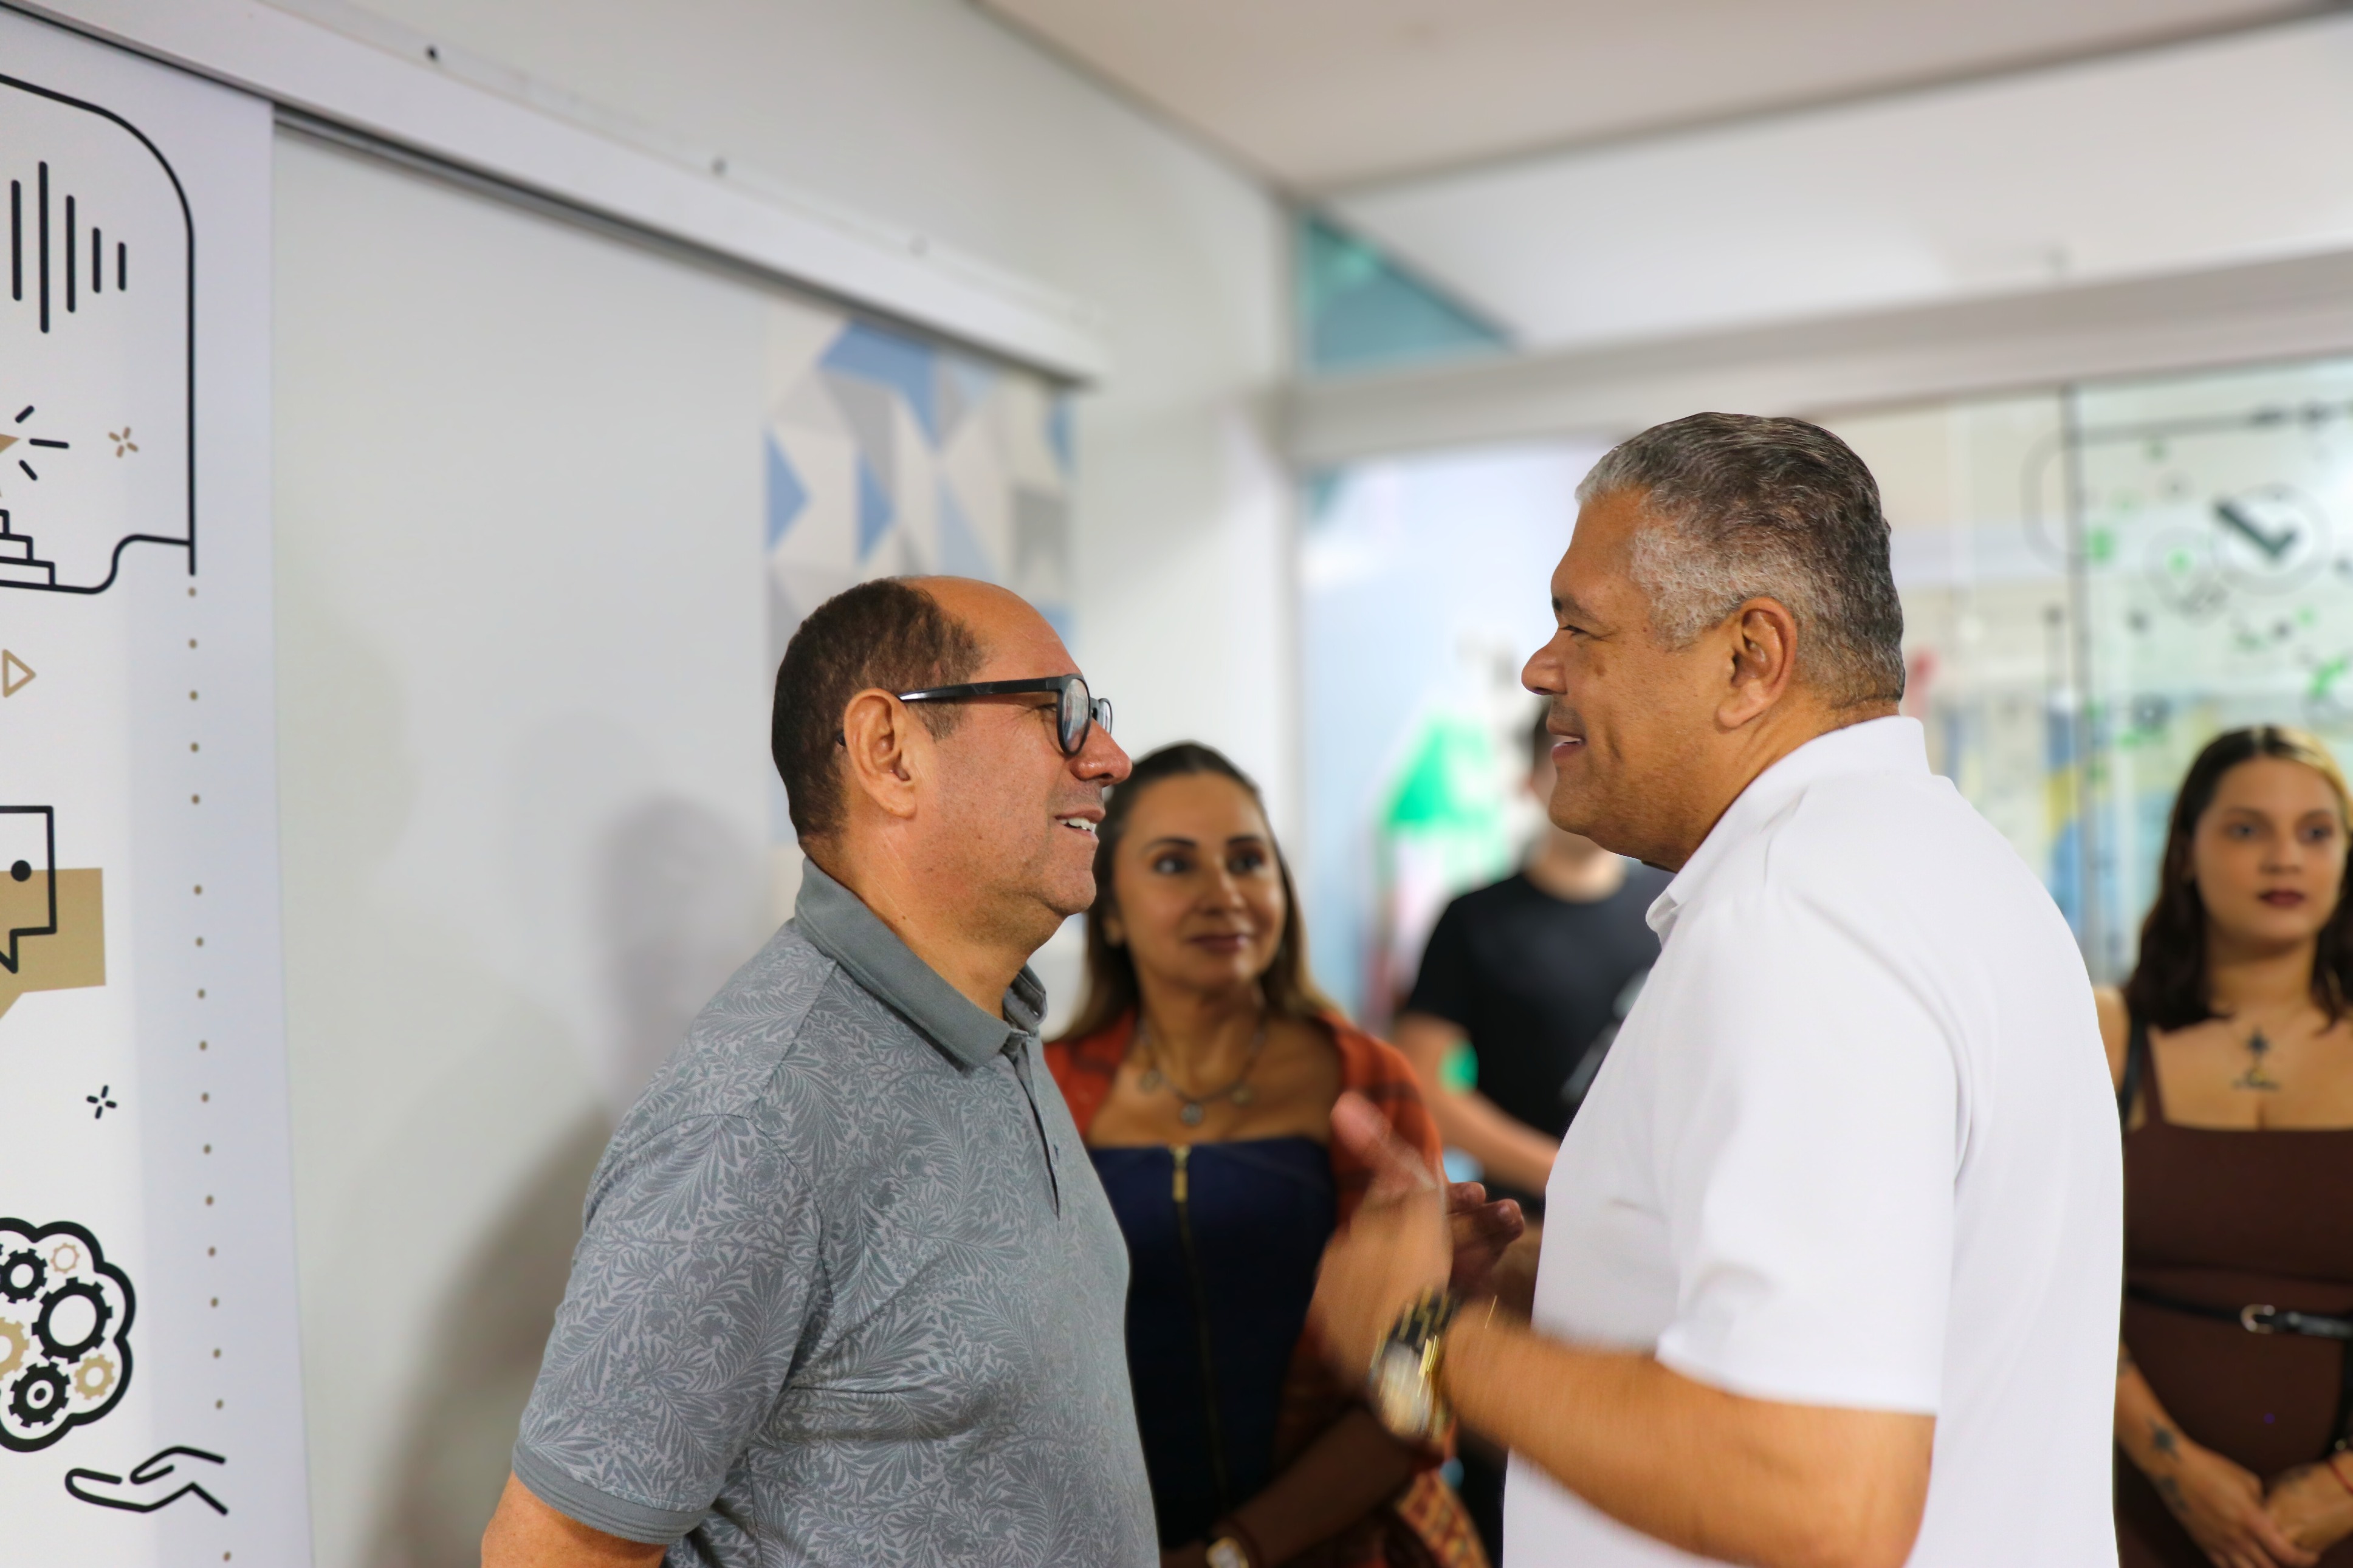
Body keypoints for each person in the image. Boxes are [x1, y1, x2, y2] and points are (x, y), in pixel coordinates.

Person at [1306, 412, 2123, 1568]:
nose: (1541, 669)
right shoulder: (1932, 866)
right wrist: (1565, 1279)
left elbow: (1818, 1493)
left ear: (1749, 659)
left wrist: (1420, 1338)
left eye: (1580, 627)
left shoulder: (1797, 918)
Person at [481, 577, 1158, 1567]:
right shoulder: (759, 1119)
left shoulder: (992, 1027)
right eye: (1058, 711)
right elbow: (553, 1550)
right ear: (890, 751)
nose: (1107, 757)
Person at [1047, 741, 1491, 1568]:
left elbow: (1418, 1377)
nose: (1223, 893)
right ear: (1107, 908)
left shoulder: (1366, 1082)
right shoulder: (1046, 1091)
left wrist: (1232, 1554)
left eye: (1248, 860)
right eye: (1174, 864)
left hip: (1347, 1547)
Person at [2099, 726, 2353, 1568]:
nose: (2285, 857)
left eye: (2315, 832)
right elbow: (2041, 1273)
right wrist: (2176, 1470)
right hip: (2130, 1508)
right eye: (2247, 829)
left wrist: (2341, 1492)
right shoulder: (2106, 1035)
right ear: (2184, 851)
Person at [1396, 705, 1669, 1214]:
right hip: (1525, 1224)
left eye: (1610, 759)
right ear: (1529, 783)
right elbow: (1423, 1082)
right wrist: (1562, 1174)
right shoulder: (1475, 918)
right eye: (1572, 757)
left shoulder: (1673, 906)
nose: (1595, 780)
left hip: (1661, 1217)